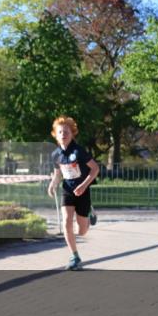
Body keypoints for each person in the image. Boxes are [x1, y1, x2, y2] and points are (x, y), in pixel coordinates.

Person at [46, 116, 100, 271]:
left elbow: (95, 169)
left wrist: (83, 186)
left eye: (66, 131)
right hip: (68, 190)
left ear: (72, 134)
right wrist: (53, 184)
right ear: (55, 135)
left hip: (82, 191)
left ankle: (88, 216)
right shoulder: (55, 155)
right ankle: (74, 256)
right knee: (66, 221)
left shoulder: (79, 151)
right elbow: (58, 173)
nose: (63, 134)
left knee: (81, 231)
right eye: (60, 131)